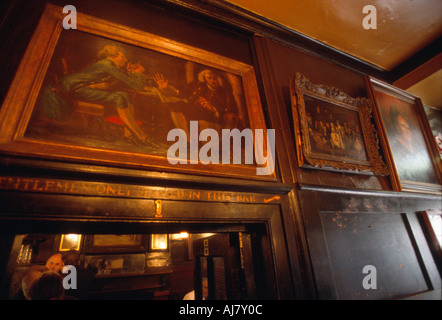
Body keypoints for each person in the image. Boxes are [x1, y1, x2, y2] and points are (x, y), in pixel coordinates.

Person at [41, 44, 157, 147]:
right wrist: (137, 74)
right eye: (123, 56)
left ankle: (129, 136)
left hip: (76, 86)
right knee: (119, 97)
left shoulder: (109, 65)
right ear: (113, 56)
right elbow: (134, 85)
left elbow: (121, 83)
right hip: (68, 89)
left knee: (124, 94)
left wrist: (137, 78)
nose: (125, 59)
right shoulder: (107, 65)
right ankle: (142, 136)